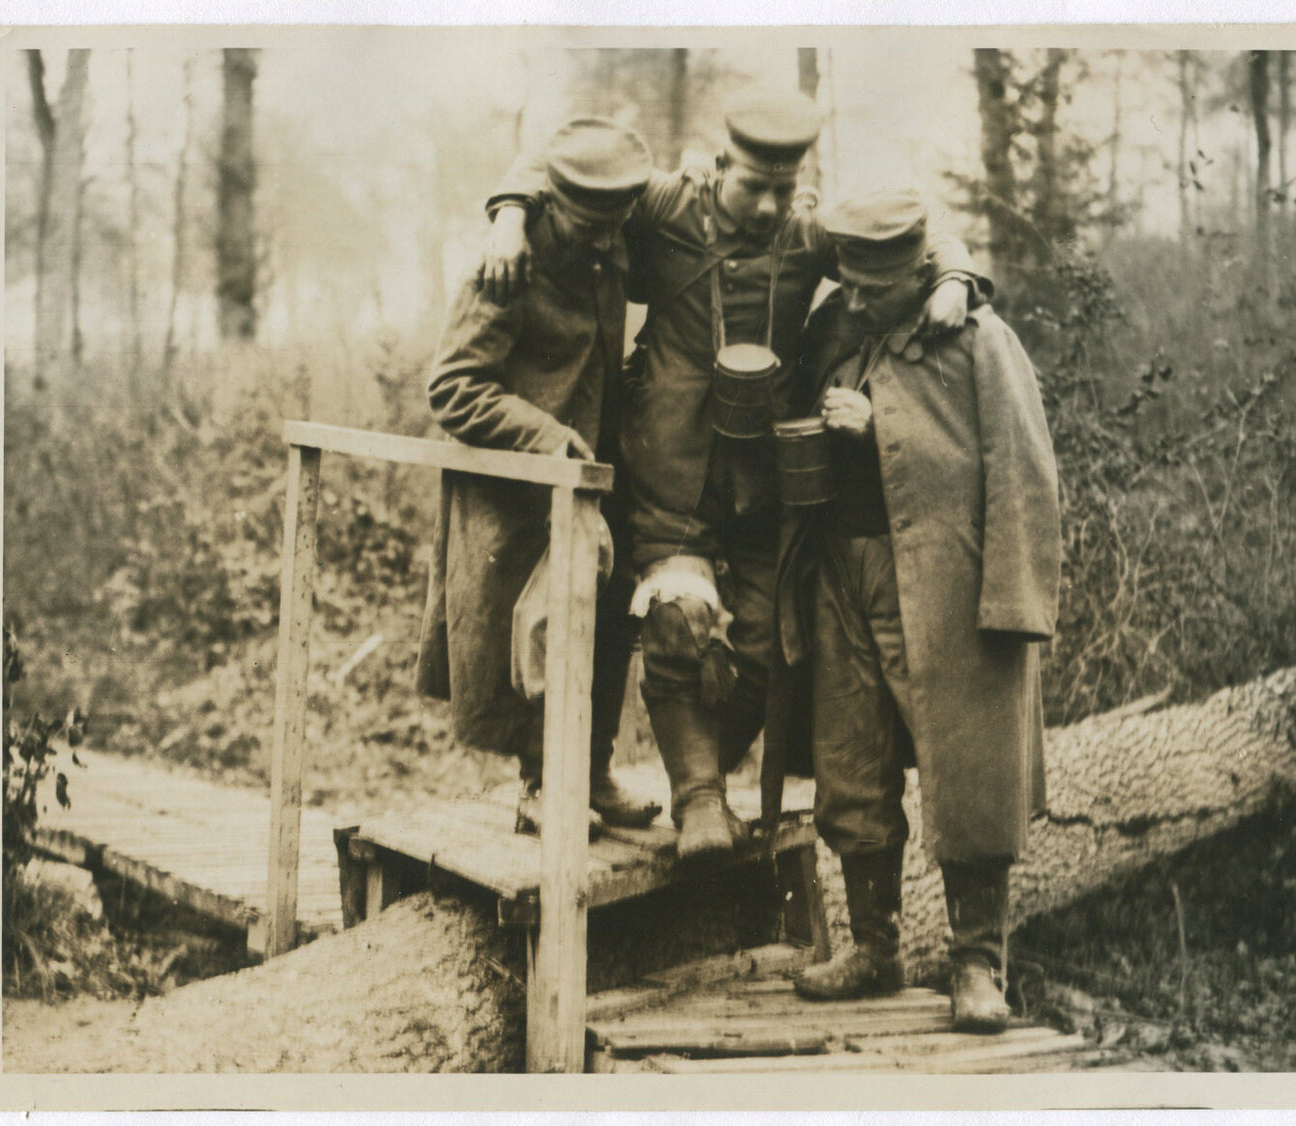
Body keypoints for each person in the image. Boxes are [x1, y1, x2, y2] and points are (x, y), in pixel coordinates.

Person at [477, 88, 992, 861]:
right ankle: (701, 804)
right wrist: (510, 215)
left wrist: (952, 277)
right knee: (676, 622)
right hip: (667, 467)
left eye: (785, 190)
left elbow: (907, 229)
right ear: (721, 166)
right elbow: (564, 163)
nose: (769, 206)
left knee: (760, 640)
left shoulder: (804, 231)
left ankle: (701, 776)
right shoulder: (665, 204)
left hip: (768, 477)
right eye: (755, 186)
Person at [781, 190, 1061, 1033]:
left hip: (941, 587)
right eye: (847, 284)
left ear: (918, 273)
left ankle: (977, 966)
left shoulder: (976, 340)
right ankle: (873, 947)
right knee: (849, 760)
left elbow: (1022, 474)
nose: (853, 301)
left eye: (872, 289)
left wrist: (1014, 606)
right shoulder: (837, 326)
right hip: (842, 574)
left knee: (968, 773)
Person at [415, 117, 661, 836]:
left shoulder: (608, 231)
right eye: (586, 227)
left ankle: (588, 774)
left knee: (607, 614)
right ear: (551, 204)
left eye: (613, 226)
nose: (602, 240)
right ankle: (538, 786)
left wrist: (512, 203)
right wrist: (546, 438)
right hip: (514, 493)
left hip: (589, 477)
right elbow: (452, 387)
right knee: (533, 633)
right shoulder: (503, 268)